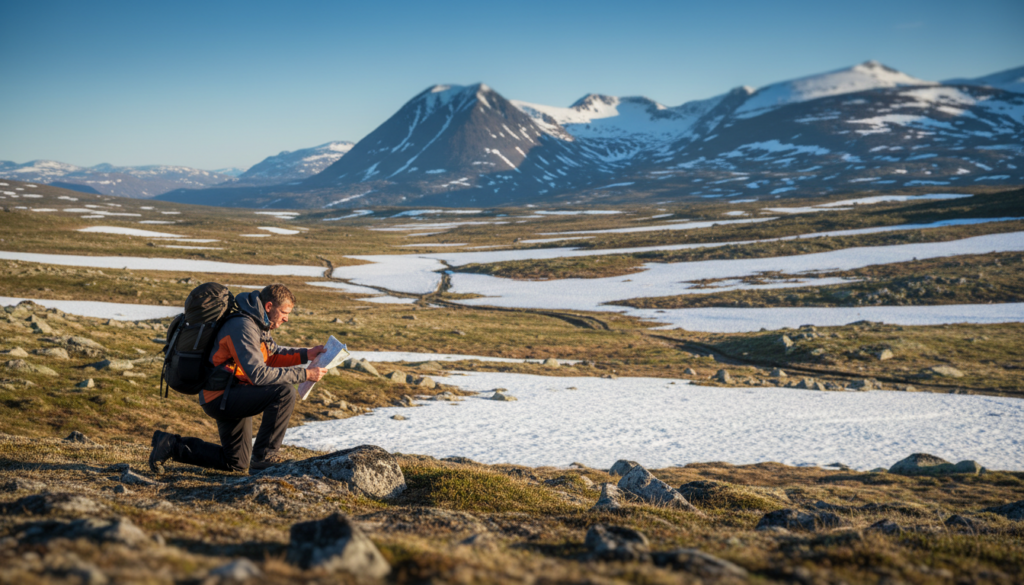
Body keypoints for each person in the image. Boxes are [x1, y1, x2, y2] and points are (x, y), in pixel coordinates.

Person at [149, 284, 327, 473]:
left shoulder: (256, 322)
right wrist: (305, 374)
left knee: (235, 462)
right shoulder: (243, 326)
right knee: (284, 392)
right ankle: (264, 457)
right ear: (268, 307)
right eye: (284, 312)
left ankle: (170, 445)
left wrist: (307, 354)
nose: (286, 318)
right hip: (220, 396)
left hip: (230, 392)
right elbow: (258, 375)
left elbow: (271, 356)